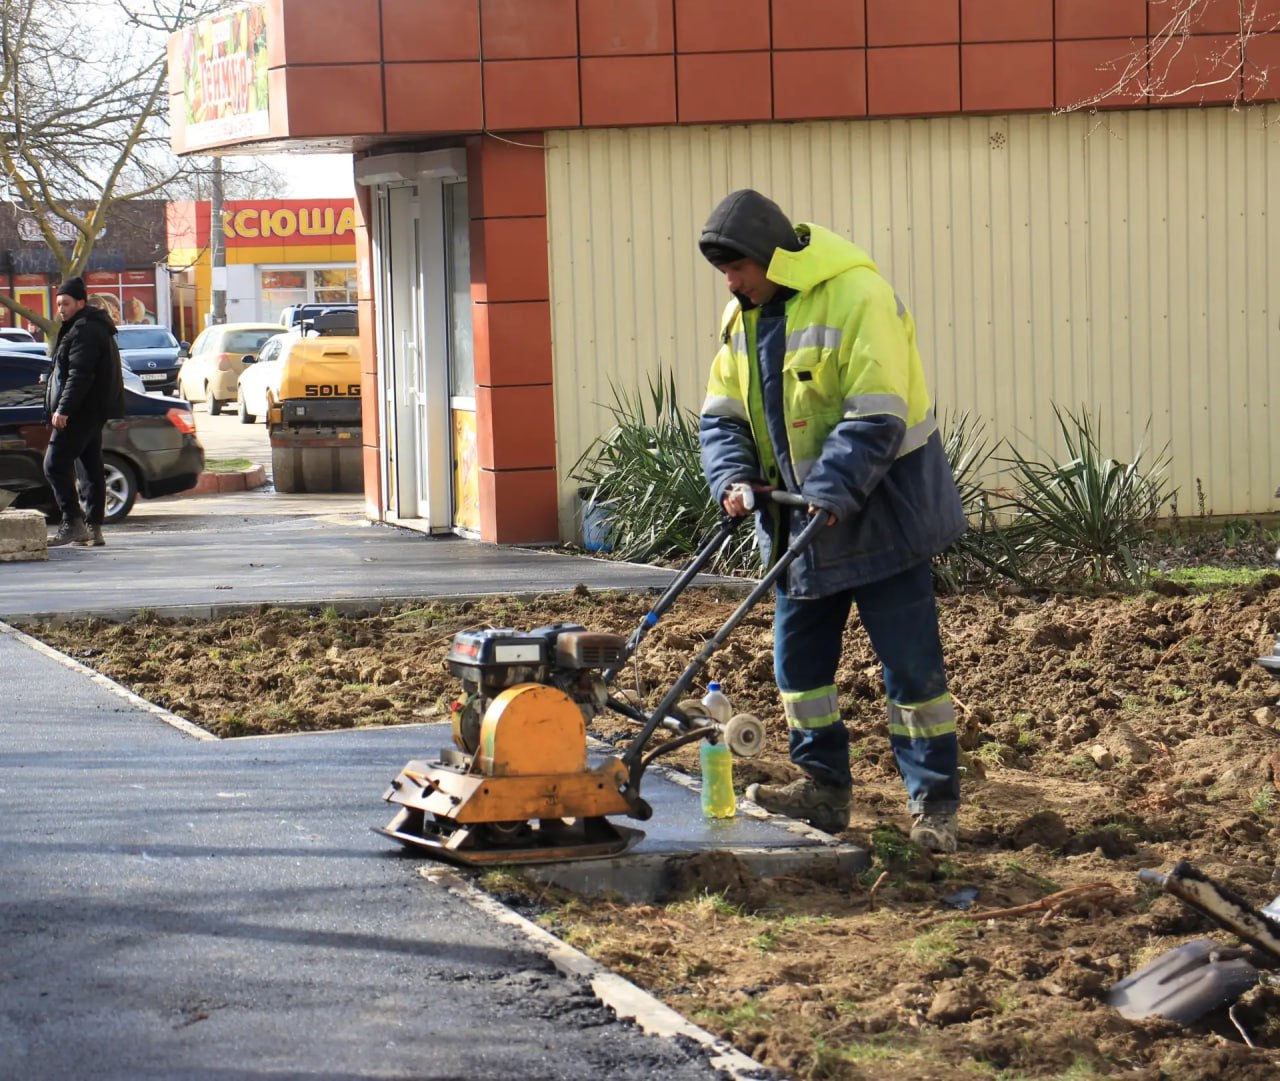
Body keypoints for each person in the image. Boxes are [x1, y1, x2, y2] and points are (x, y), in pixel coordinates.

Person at [697, 189, 967, 852]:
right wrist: (734, 480)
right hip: (802, 527)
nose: (730, 284)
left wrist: (831, 489)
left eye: (737, 269)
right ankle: (822, 786)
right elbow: (722, 417)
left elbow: (879, 412)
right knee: (799, 667)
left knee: (912, 674)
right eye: (724, 273)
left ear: (767, 259)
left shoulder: (859, 297)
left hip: (883, 518)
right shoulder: (744, 318)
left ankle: (932, 805)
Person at [43, 276, 125, 547]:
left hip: (81, 410)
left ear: (80, 302)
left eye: (65, 303)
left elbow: (80, 375)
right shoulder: (87, 326)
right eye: (58, 304)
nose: (60, 309)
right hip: (92, 409)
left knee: (54, 464)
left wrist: (63, 409)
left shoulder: (85, 330)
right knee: (89, 466)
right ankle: (94, 527)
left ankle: (73, 522)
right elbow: (71, 370)